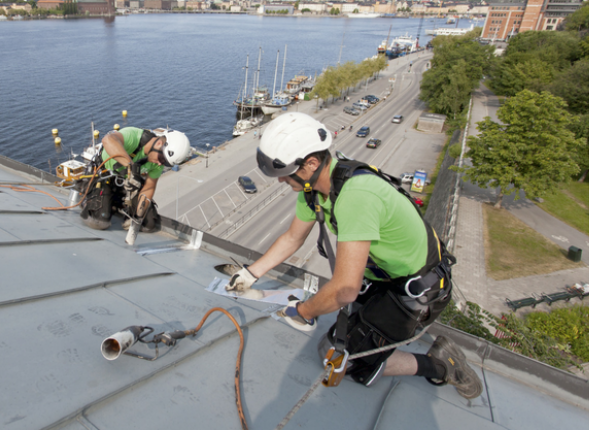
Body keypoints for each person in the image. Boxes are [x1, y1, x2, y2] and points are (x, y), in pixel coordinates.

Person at [226, 112, 482, 399]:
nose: (280, 181)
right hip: (382, 279)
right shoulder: (314, 190)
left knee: (335, 359)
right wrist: (250, 274)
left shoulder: (356, 196)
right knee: (343, 337)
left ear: (310, 164)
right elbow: (292, 238)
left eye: (284, 173)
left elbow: (345, 289)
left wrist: (303, 312)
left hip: (417, 289)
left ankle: (440, 365)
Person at [80, 127, 190, 232]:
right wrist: (131, 168)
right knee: (99, 221)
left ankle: (115, 204)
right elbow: (108, 140)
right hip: (104, 176)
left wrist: (138, 218)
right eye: (162, 159)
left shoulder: (158, 163)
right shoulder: (134, 136)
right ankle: (90, 199)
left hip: (125, 182)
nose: (160, 163)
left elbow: (149, 188)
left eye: (165, 163)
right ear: (159, 143)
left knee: (149, 224)